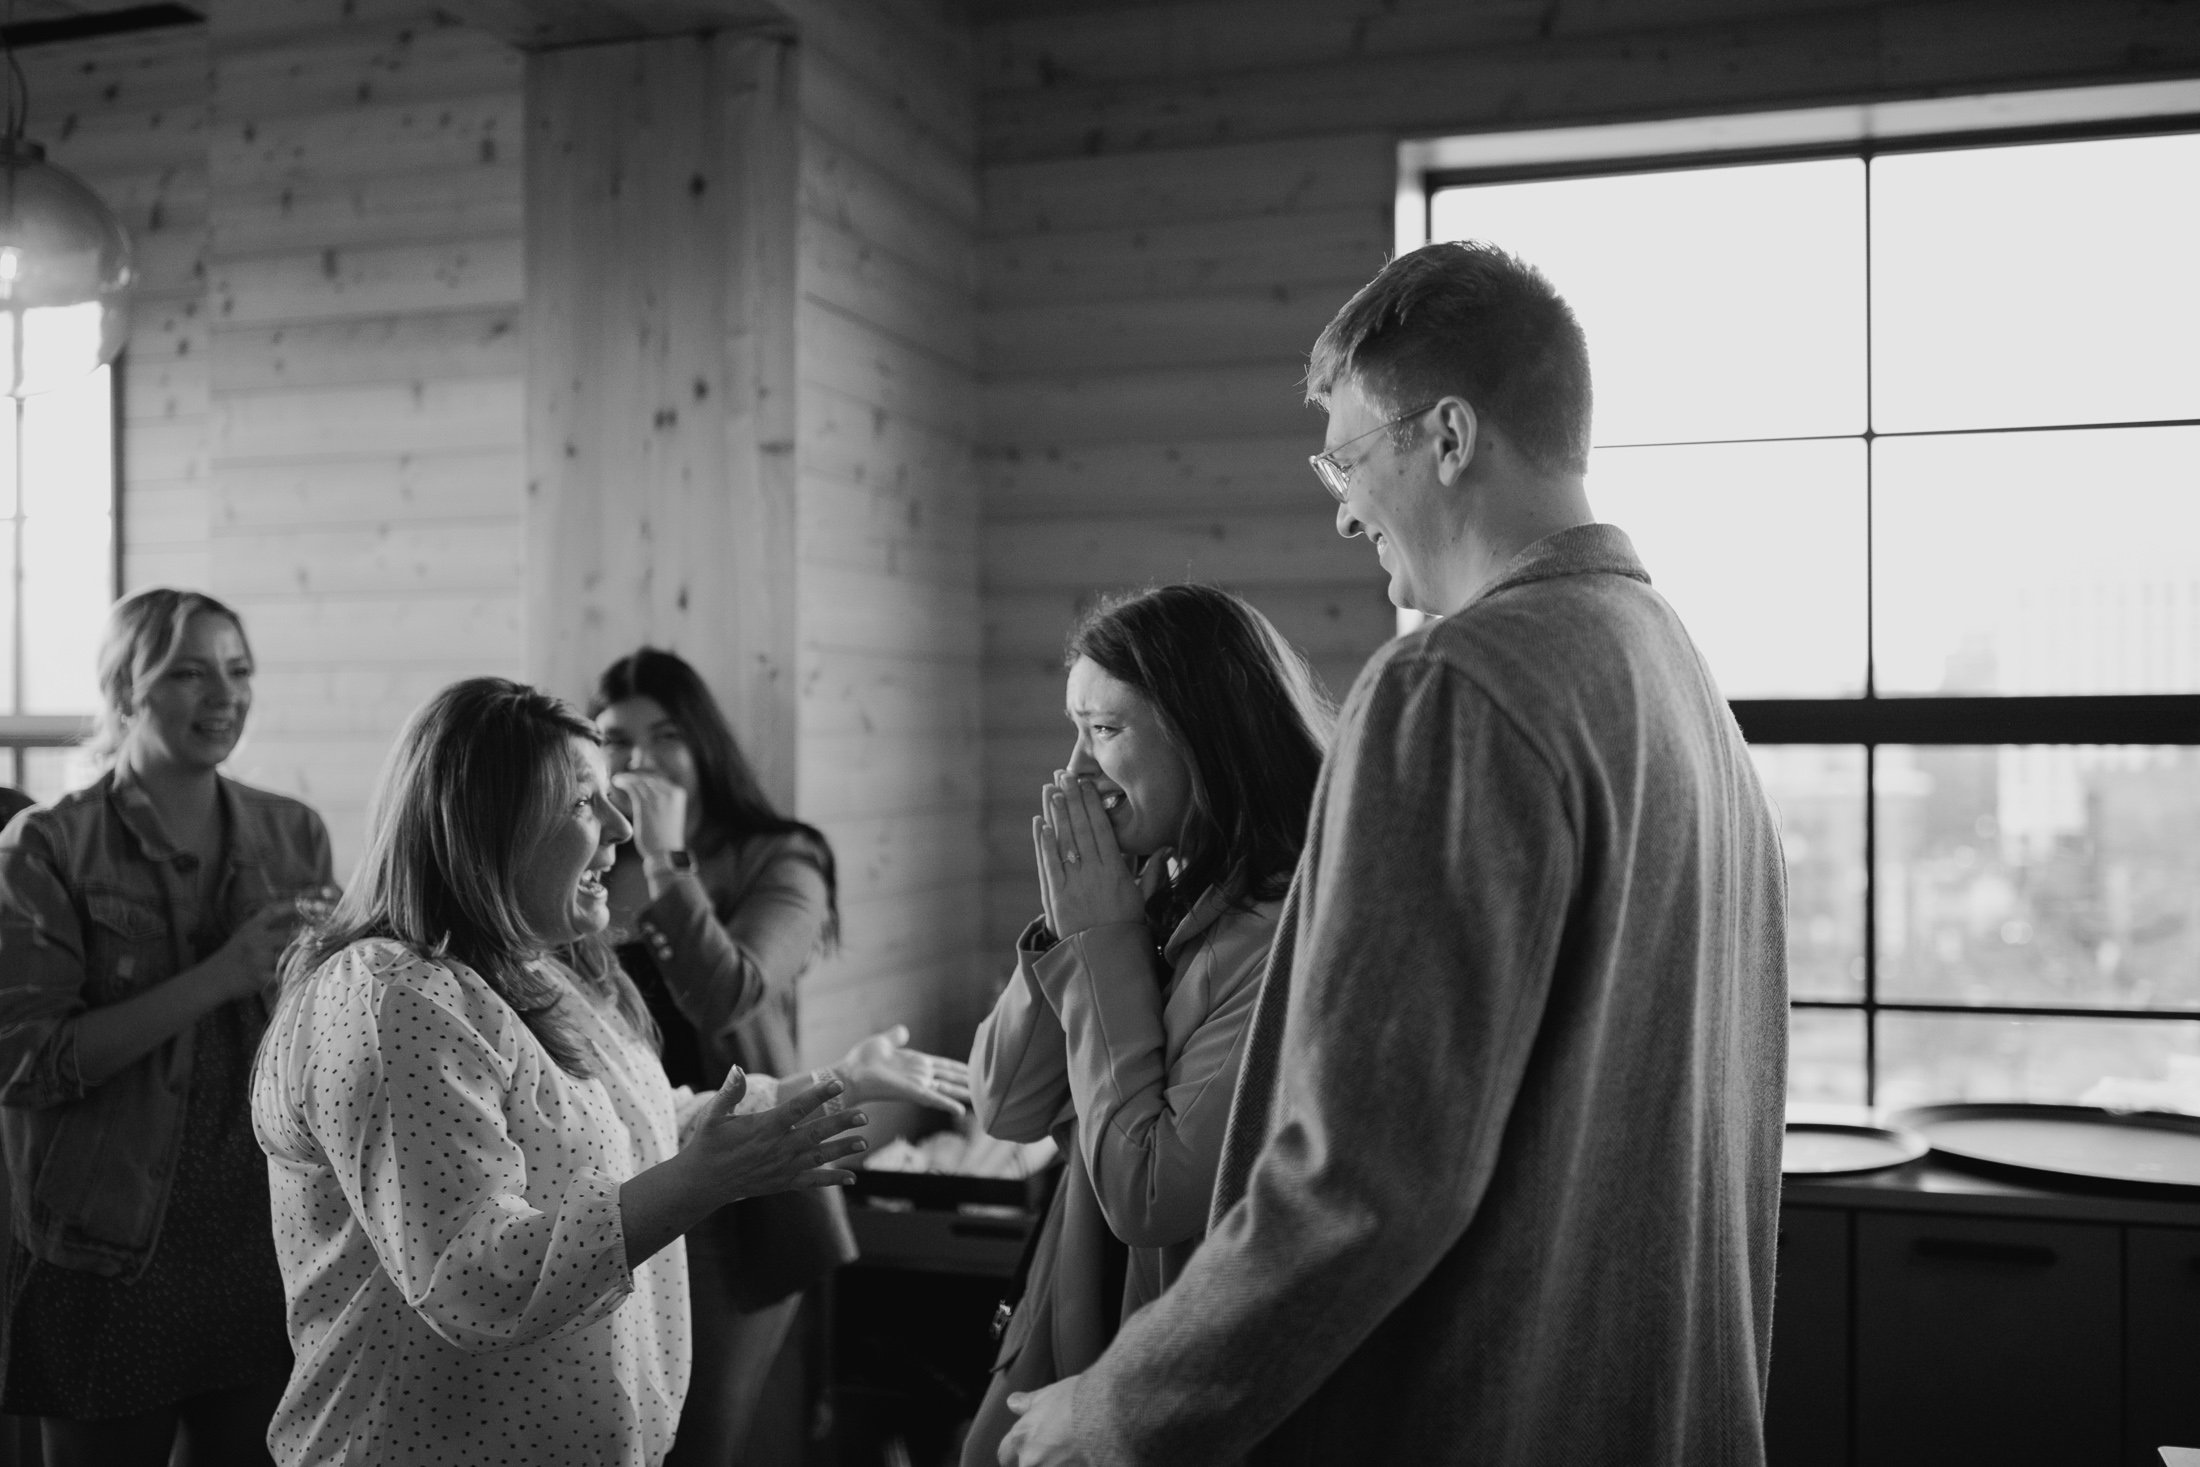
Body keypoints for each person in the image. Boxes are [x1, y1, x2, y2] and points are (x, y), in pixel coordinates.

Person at [1000, 241, 1790, 1466]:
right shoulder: (1682, 684)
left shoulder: (1457, 685)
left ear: (1449, 437)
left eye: (1348, 456)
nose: (1340, 503)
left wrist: (1120, 1405)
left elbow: (1367, 1174)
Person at [250, 677, 951, 1466]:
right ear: (489, 823)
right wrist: (701, 1182)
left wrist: (838, 1083)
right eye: (585, 801)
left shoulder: (541, 969)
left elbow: (650, 1120)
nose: (622, 826)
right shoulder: (390, 999)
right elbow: (478, 1278)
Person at [964, 585, 1332, 1467]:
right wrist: (1069, 923)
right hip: (1071, 1344)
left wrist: (1101, 941)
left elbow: (1154, 1193)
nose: (1076, 771)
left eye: (1104, 729)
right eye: (1073, 728)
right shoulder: (1160, 889)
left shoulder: (1286, 930)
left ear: (1208, 735)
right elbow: (1007, 1104)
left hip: (1173, 1394)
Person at [592, 647, 971, 1465]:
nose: (640, 759)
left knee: (699, 1444)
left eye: (664, 735)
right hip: (619, 1179)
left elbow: (730, 993)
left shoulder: (782, 856)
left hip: (747, 1196)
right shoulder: (587, 861)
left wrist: (667, 859)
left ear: (703, 742)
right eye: (615, 740)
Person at [0, 589, 334, 1467]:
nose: (222, 695)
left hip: (264, 1244)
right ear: (124, 690)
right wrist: (223, 972)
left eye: (237, 670)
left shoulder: (294, 831)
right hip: (107, 1253)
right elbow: (26, 1063)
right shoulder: (47, 846)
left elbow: (318, 1045)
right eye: (187, 672)